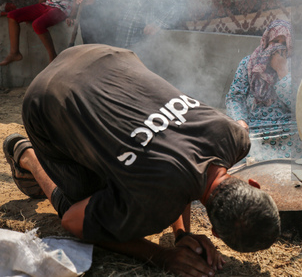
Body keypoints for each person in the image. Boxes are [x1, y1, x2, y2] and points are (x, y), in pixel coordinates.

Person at [2, 44, 280, 277]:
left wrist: (182, 235)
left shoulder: (234, 137)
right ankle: (28, 156)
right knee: (82, 205)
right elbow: (72, 222)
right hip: (46, 98)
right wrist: (161, 256)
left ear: (255, 185)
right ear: (217, 234)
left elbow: (183, 162)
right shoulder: (153, 207)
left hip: (102, 54)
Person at [225, 19, 302, 160]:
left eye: (284, 43)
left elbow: (300, 106)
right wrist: (240, 120)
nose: (278, 48)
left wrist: (282, 71)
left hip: (289, 129)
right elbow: (235, 97)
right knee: (243, 152)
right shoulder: (248, 63)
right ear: (266, 41)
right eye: (275, 41)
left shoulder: (297, 67)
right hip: (254, 127)